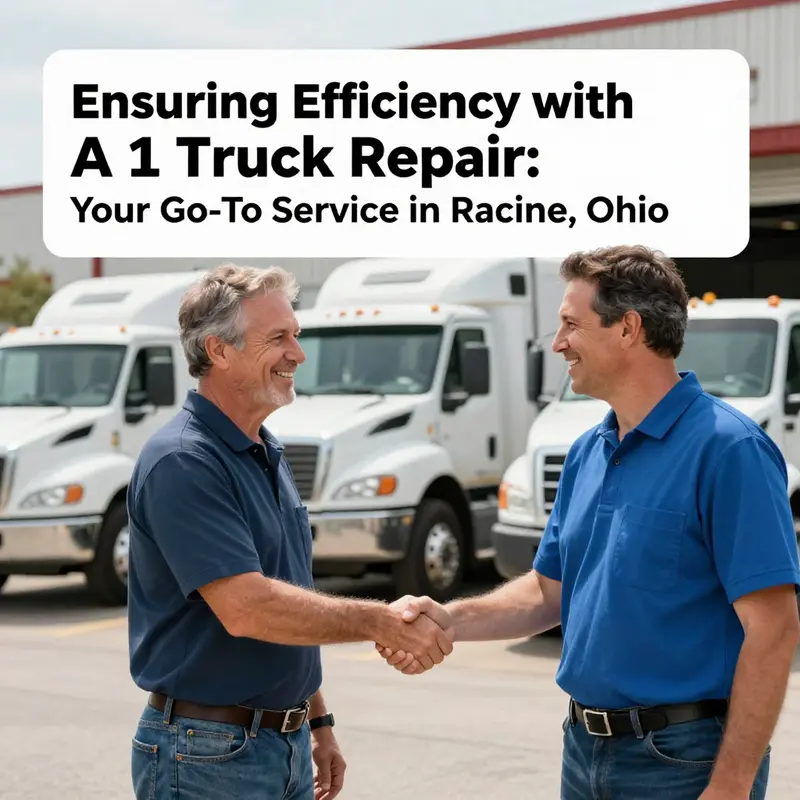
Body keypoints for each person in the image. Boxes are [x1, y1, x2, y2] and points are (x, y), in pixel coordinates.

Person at [377, 245, 800, 799]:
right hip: (583, 751)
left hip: (684, 762)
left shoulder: (730, 450)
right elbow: (548, 592)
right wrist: (448, 618)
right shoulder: (586, 452)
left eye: (571, 324)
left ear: (628, 328)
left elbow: (774, 629)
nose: (558, 343)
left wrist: (732, 784)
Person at [127, 263, 454, 800]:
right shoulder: (184, 460)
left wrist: (316, 721)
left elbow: (289, 596)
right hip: (207, 755)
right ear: (218, 350)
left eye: (295, 336)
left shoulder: (263, 449)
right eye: (278, 338)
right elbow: (248, 607)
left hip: (279, 743)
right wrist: (381, 622)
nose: (298, 354)